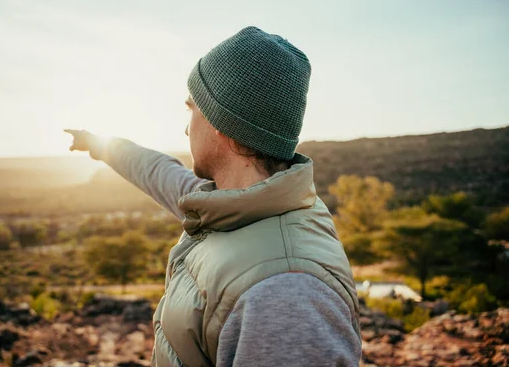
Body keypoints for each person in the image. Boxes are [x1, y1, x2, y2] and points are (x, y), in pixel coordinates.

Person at [65, 26, 361, 367]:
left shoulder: (285, 293)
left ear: (221, 121)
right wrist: (99, 145)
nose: (186, 127)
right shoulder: (225, 204)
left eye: (191, 108)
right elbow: (159, 171)